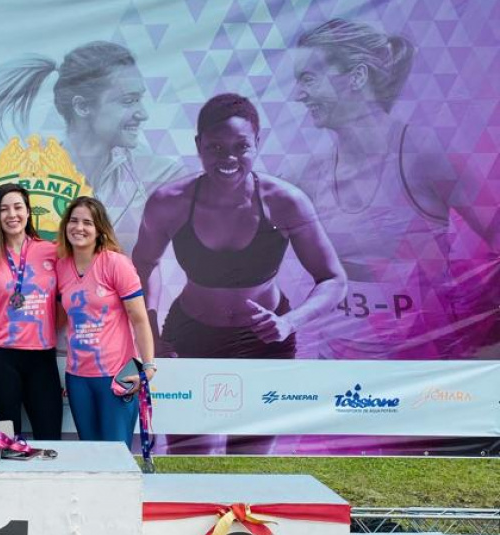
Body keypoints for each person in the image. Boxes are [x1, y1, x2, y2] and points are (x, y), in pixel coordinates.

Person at [293, 19, 498, 358]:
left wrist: (484, 336)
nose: (298, 94)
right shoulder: (308, 175)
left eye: (308, 79)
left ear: (357, 77)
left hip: (424, 371)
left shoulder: (426, 156)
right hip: (336, 367)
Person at [133, 93, 346, 359]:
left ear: (257, 143)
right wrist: (149, 332)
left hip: (268, 338)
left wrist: (289, 322)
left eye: (241, 146)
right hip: (189, 335)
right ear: (199, 145)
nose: (229, 158)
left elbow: (333, 280)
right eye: (216, 147)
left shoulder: (286, 202)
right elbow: (144, 264)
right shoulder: (168, 202)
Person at [0, 41, 192, 256]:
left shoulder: (158, 175)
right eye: (128, 101)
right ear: (82, 107)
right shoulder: (31, 179)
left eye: (139, 99)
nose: (143, 113)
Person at [56, 196, 156, 449]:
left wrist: (148, 366)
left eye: (87, 223)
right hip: (77, 377)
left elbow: (139, 319)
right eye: (74, 221)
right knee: (90, 453)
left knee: (116, 453)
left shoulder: (116, 263)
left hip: (114, 375)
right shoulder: (61, 267)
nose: (79, 227)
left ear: (99, 229)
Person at [0, 183, 62, 439]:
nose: (12, 215)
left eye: (18, 207)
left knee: (50, 437)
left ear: (28, 212)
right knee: (6, 441)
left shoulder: (52, 251)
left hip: (42, 356)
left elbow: (79, 282)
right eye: (4, 209)